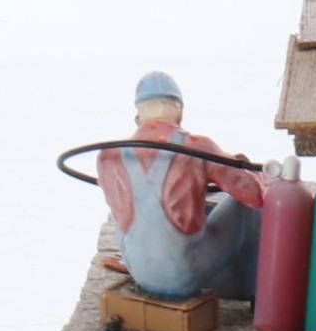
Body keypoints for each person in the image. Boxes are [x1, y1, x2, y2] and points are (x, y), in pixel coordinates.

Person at [97, 72, 266, 302]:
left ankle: (142, 263)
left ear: (138, 115)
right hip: (185, 275)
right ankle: (255, 291)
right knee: (247, 206)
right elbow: (254, 195)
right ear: (180, 112)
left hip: (142, 275)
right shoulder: (196, 148)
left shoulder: (108, 157)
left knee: (124, 209)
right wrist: (251, 171)